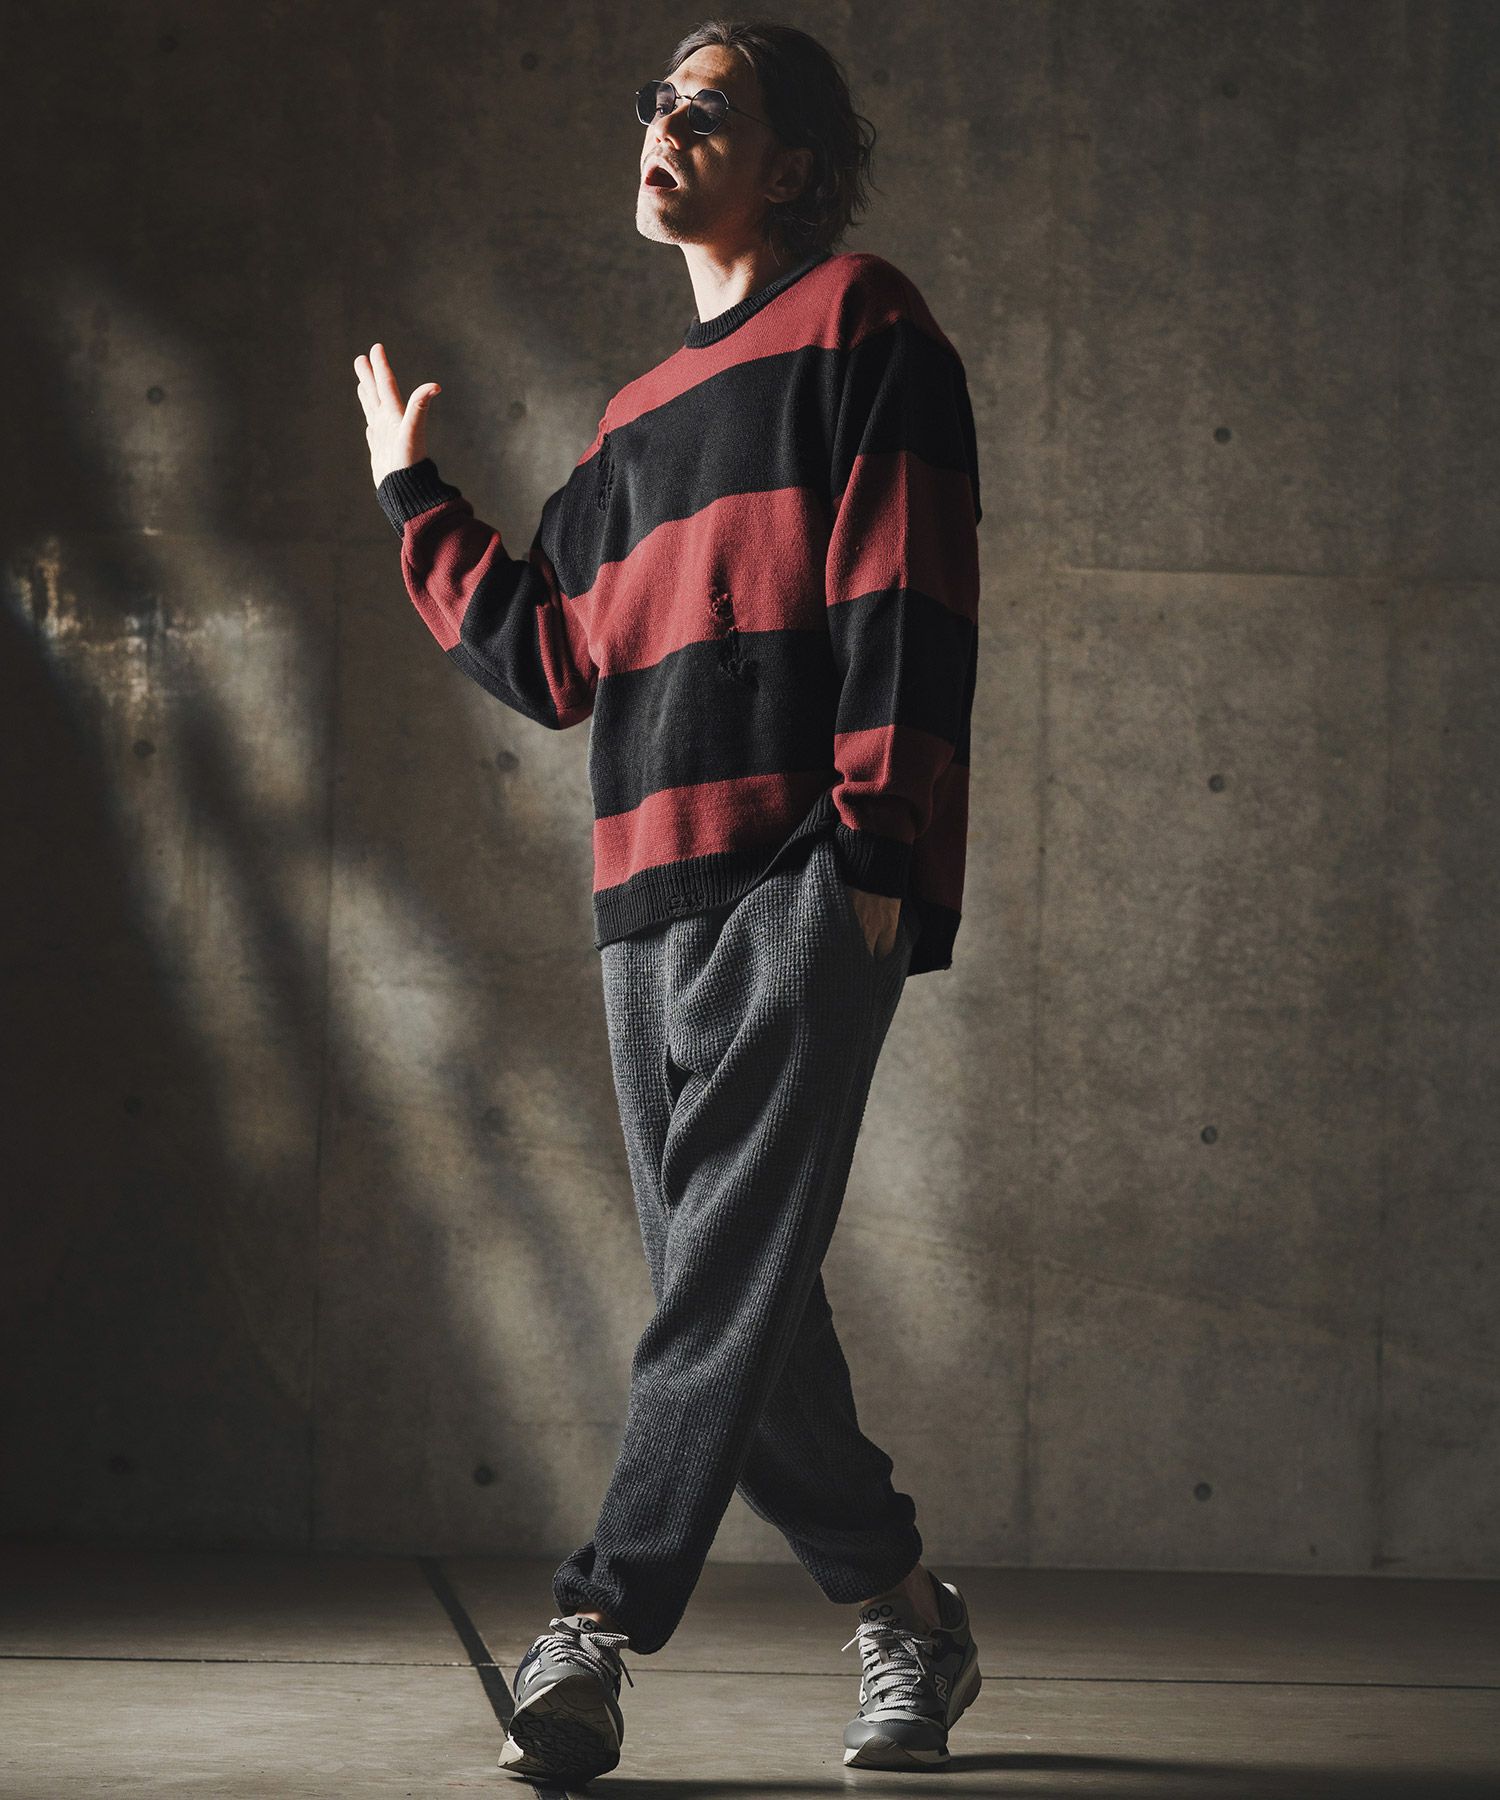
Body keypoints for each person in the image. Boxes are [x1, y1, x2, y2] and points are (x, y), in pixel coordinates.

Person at [352, 17, 982, 1786]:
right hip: (645, 899)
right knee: (744, 1306)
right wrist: (412, 495)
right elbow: (552, 656)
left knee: (716, 1294)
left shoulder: (864, 321)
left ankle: (595, 1625)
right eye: (658, 103)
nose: (667, 127)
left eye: (711, 108)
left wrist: (877, 843)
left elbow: (913, 577)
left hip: (805, 874)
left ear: (794, 165)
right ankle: (911, 1616)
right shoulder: (635, 422)